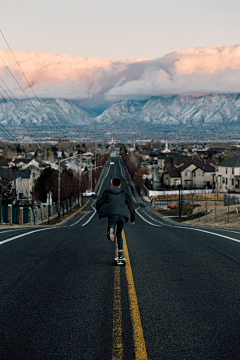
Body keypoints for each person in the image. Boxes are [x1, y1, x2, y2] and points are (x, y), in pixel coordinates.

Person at [96, 177, 135, 263]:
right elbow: (131, 206)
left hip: (112, 215)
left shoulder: (107, 192)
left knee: (111, 230)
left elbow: (99, 202)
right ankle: (120, 255)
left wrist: (98, 210)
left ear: (112, 184)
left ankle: (111, 230)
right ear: (120, 185)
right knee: (119, 234)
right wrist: (132, 219)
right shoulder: (124, 193)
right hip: (122, 216)